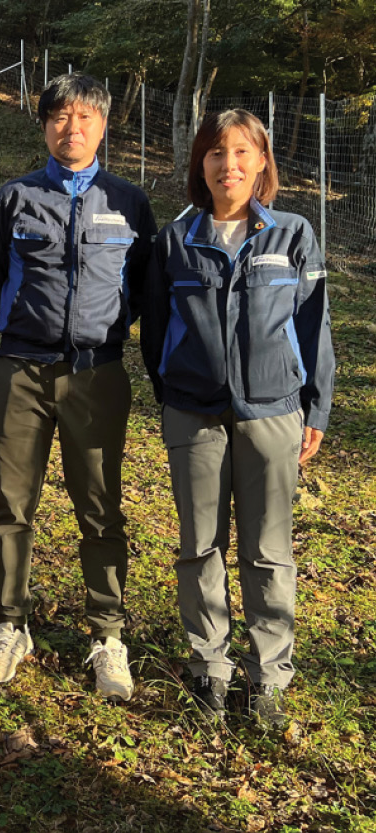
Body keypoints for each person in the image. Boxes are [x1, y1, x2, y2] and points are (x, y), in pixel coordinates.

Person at [142, 110, 334, 728]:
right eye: (217, 153)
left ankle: (269, 676)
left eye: (243, 153)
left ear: (262, 164)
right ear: (202, 165)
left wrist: (316, 406)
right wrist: (170, 391)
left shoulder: (293, 235)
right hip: (193, 414)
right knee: (200, 548)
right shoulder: (174, 239)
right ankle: (208, 672)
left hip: (273, 412)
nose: (230, 165)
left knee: (269, 551)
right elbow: (152, 330)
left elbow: (315, 326)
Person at [0, 75, 156, 701]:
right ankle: (9, 624)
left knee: (101, 508)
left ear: (105, 125)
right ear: (44, 126)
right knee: (11, 505)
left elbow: (140, 289)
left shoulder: (129, 202)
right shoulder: (15, 197)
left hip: (97, 374)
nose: (70, 128)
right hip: (20, 370)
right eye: (58, 117)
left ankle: (107, 634)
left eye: (83, 117)